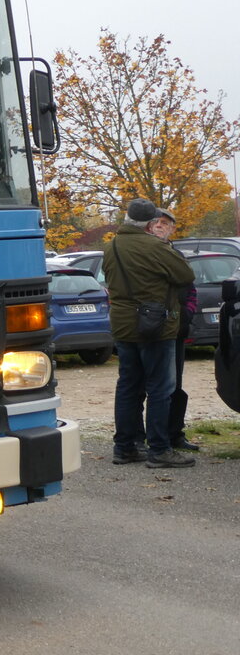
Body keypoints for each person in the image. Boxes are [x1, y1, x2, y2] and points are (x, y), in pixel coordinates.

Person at [101, 199, 196, 468]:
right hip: (154, 324)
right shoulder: (155, 246)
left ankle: (125, 447)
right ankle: (159, 449)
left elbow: (108, 278)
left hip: (122, 325)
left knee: (128, 386)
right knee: (159, 388)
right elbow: (185, 275)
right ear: (151, 223)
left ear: (128, 217)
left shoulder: (111, 247)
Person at [149, 207, 200, 451]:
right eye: (156, 222)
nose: (160, 225)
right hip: (147, 327)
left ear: (172, 229)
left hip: (176, 330)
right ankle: (148, 438)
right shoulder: (142, 253)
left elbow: (190, 290)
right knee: (147, 387)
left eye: (165, 223)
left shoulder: (177, 256)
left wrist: (187, 314)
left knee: (175, 385)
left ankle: (174, 434)